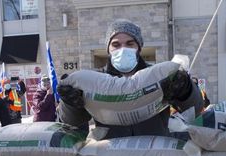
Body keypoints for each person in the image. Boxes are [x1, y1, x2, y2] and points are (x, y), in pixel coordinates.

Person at [56, 19, 203, 139]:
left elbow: (194, 110)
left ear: (139, 47)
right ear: (108, 50)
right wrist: (70, 104)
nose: (122, 49)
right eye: (116, 45)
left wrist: (186, 90)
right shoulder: (95, 82)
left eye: (130, 43)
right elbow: (70, 124)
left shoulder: (159, 76)